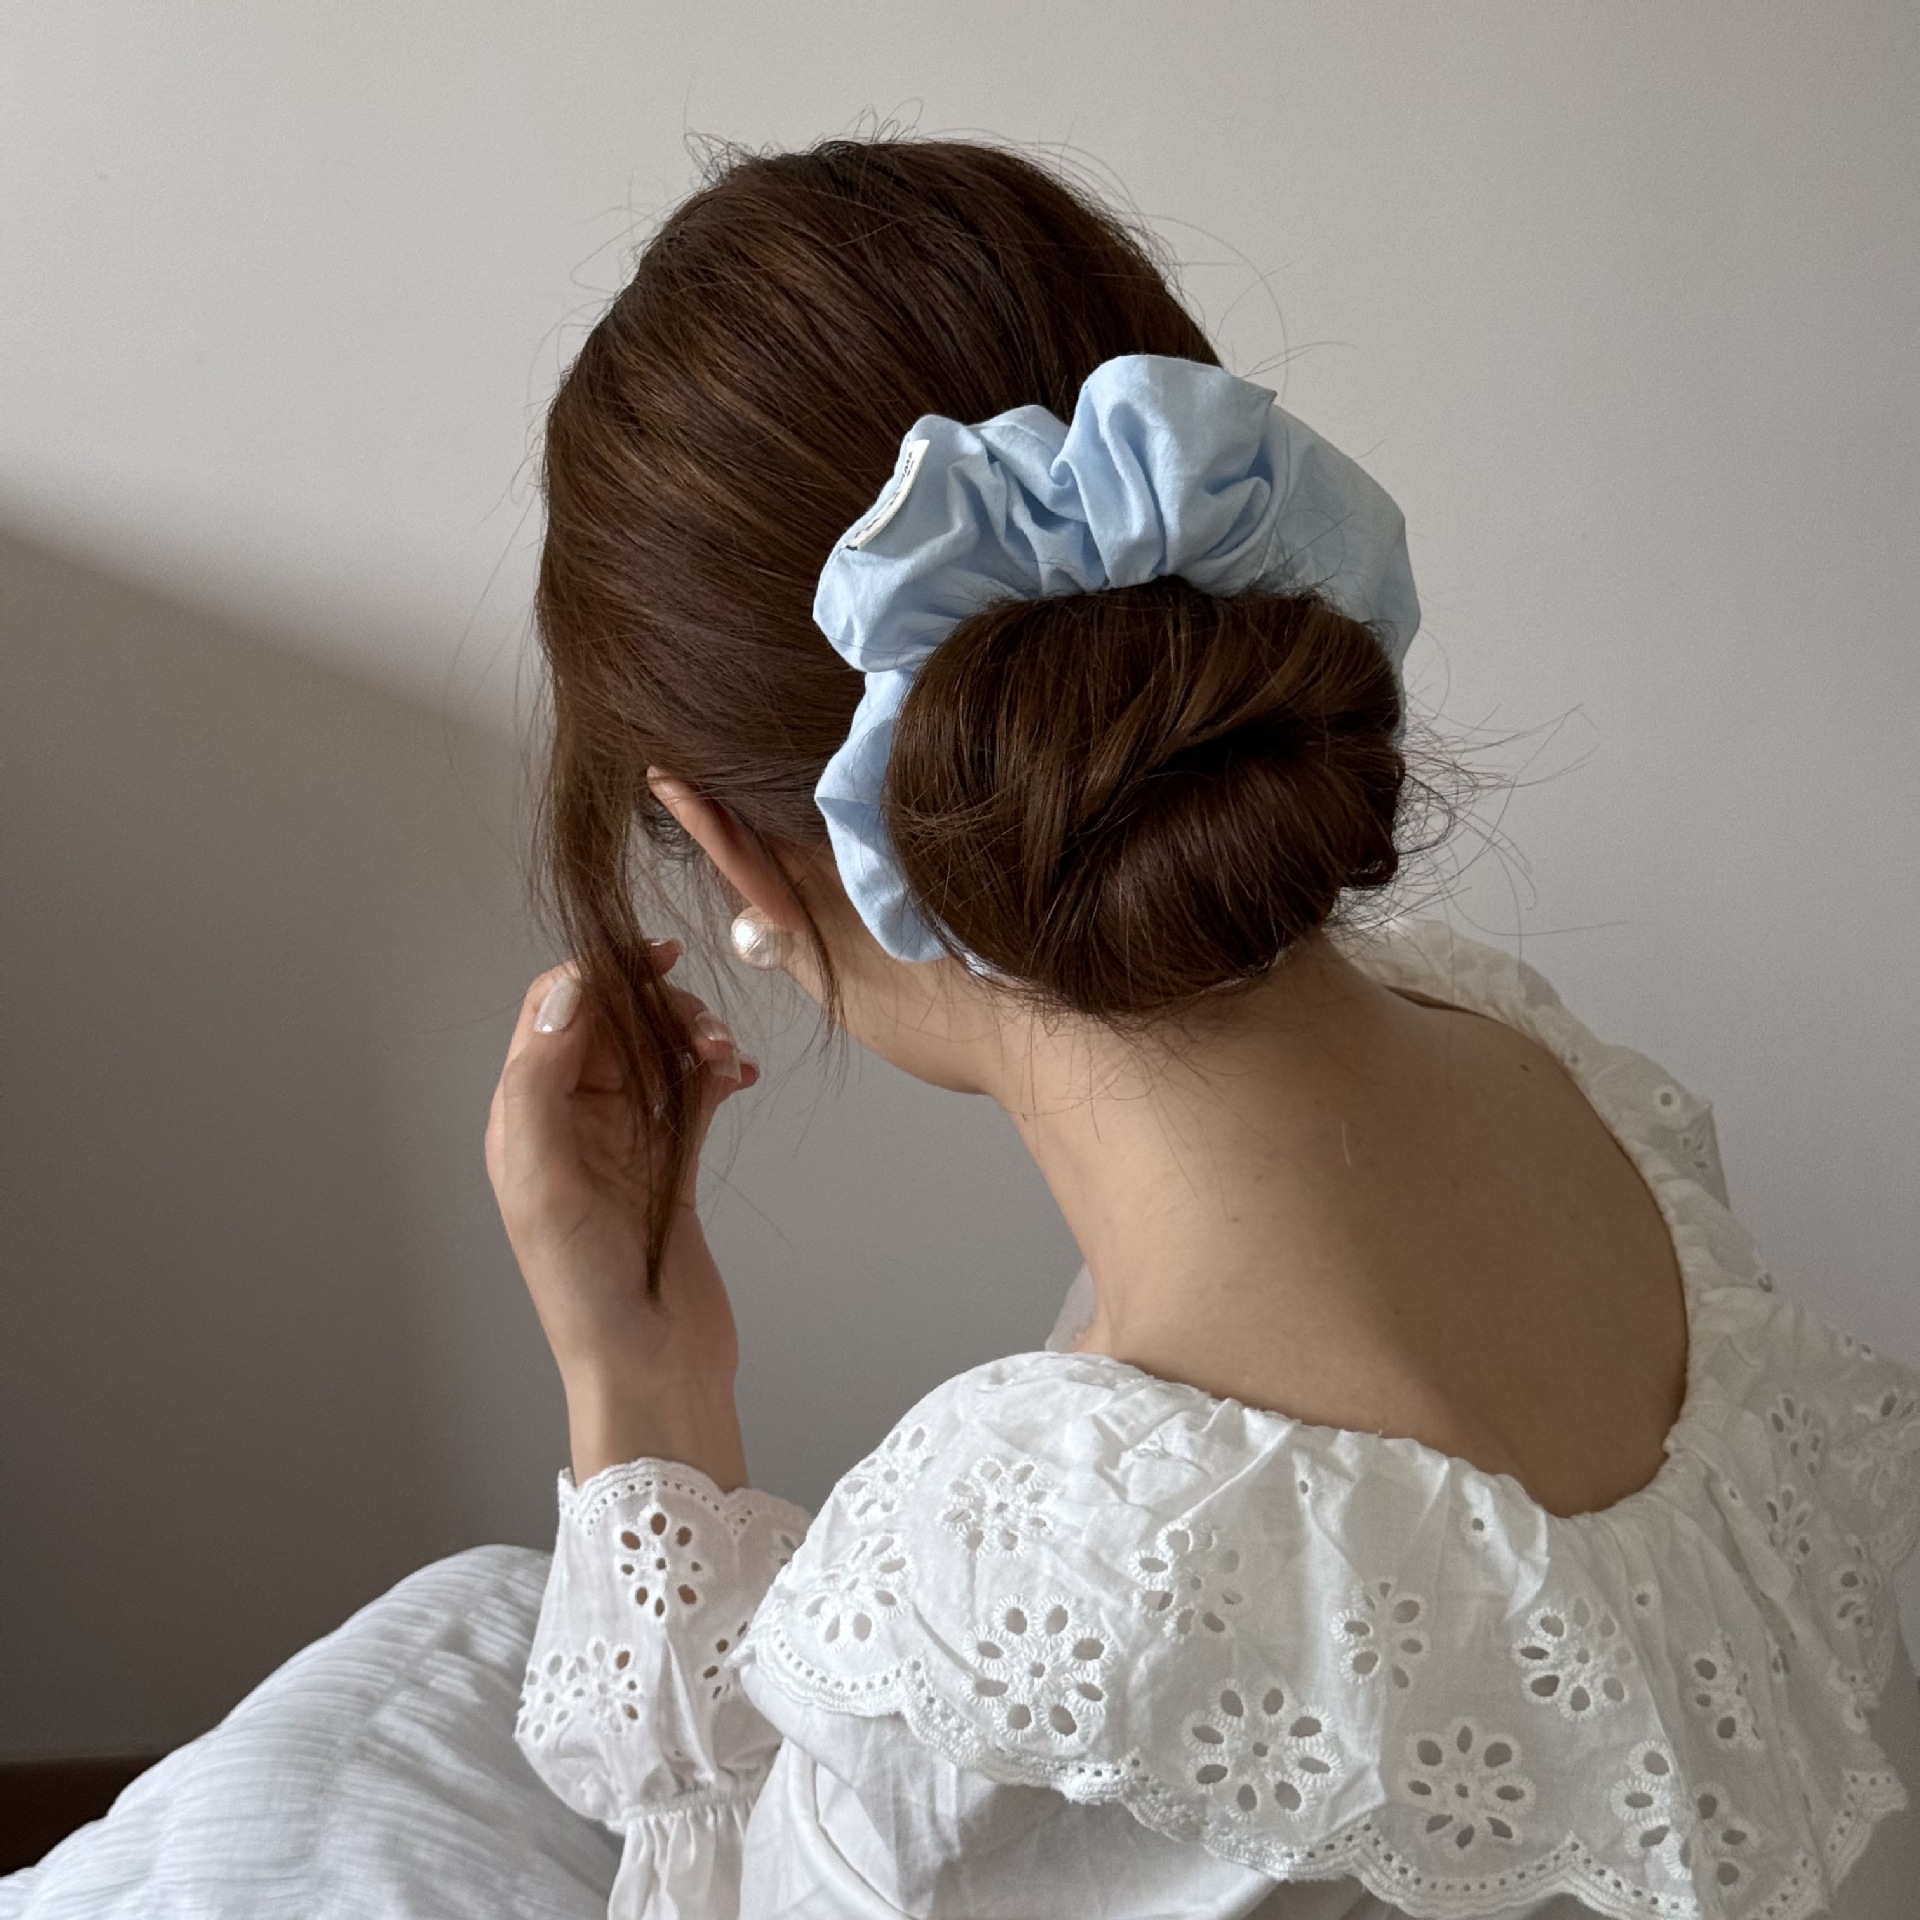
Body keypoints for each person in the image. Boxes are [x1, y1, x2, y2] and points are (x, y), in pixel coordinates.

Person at [7, 137, 1917, 1920]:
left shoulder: (1015, 1584)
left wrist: (637, 1390)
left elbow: (714, 1884)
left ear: (723, 846)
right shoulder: (1561, 1078)